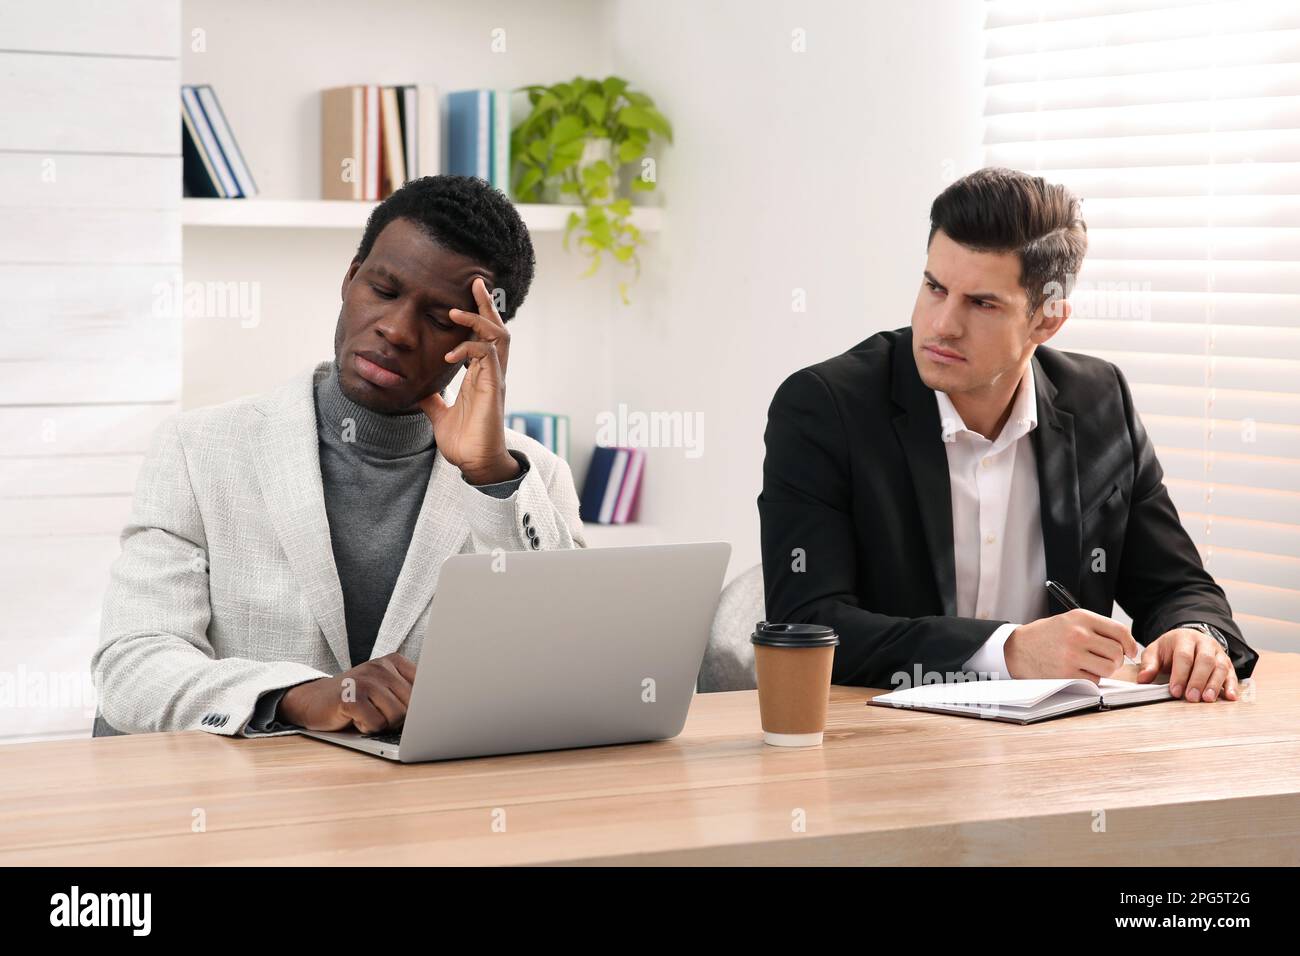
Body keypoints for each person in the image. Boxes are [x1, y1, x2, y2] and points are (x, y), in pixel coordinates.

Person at [93, 175, 584, 737]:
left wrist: (489, 476)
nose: (396, 330)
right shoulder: (198, 451)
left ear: (481, 343)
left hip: (438, 809)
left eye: (437, 317)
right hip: (251, 810)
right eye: (384, 290)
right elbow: (133, 667)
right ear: (351, 280)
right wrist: (301, 697)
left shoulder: (529, 478)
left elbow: (567, 664)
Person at [758, 167, 1256, 701]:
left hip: (1061, 754)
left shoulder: (1099, 402)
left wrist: (1195, 638)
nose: (942, 324)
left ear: (1047, 321)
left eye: (982, 303)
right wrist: (1008, 650)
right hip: (890, 747)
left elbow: (1179, 586)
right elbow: (807, 624)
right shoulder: (824, 408)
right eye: (935, 287)